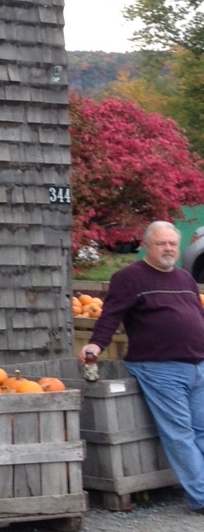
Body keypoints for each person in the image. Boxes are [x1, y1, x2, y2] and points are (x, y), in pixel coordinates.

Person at [80, 220, 204, 513]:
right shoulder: (129, 278)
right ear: (146, 246)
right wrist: (96, 345)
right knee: (180, 434)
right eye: (161, 243)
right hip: (159, 368)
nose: (168, 249)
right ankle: (201, 497)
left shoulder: (184, 278)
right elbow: (111, 315)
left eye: (172, 244)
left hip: (198, 366)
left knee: (201, 430)